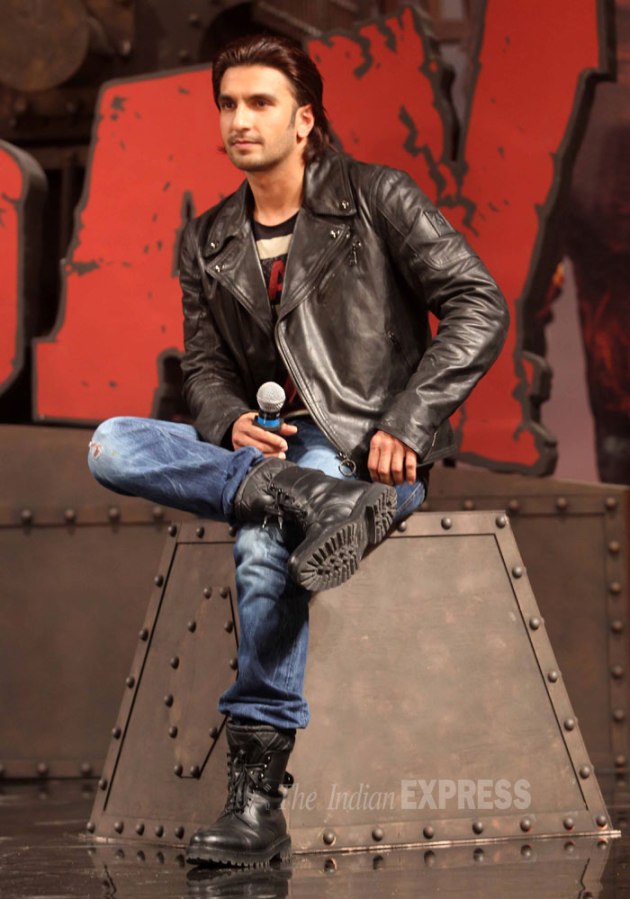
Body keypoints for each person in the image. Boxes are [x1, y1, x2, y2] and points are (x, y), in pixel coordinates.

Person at [87, 33, 509, 868]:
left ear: (304, 119)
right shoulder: (208, 238)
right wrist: (227, 420)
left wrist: (408, 422)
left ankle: (255, 802)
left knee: (261, 545)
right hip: (270, 451)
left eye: (260, 103)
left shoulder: (377, 197)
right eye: (227, 104)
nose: (239, 120)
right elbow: (203, 369)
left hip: (361, 448)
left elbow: (478, 303)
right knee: (111, 444)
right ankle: (298, 494)